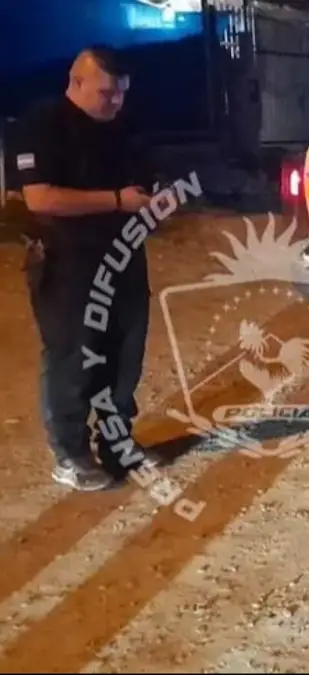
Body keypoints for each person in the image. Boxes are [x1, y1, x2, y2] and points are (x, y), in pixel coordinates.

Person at [13, 45, 160, 491]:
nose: (116, 102)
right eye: (106, 93)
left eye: (122, 93)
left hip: (124, 259)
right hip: (67, 263)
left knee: (124, 358)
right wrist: (116, 201)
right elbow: (40, 198)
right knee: (73, 358)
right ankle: (71, 454)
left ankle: (117, 445)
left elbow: (142, 184)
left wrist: (155, 200)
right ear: (76, 82)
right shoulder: (42, 124)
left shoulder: (125, 127)